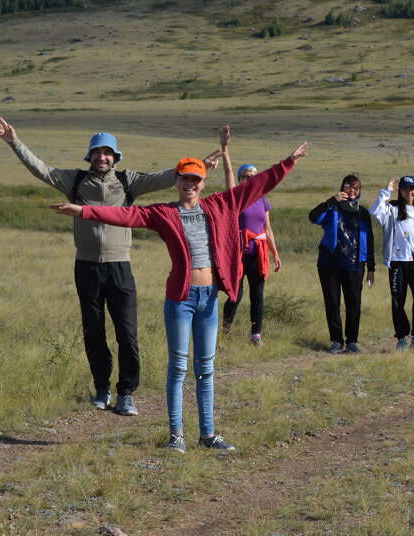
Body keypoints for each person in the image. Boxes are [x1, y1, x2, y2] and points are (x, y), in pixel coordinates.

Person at [52, 139, 309, 453]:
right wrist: (82, 210)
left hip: (209, 299)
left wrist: (289, 160)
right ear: (176, 181)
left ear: (202, 183)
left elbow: (258, 184)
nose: (190, 183)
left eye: (195, 179)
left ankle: (208, 435)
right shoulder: (164, 213)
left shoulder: (220, 205)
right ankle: (176, 436)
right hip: (180, 299)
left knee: (206, 368)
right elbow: (125, 216)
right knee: (178, 368)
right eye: (184, 178)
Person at [0, 116, 218, 416]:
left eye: (108, 153)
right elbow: (41, 170)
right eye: (97, 152)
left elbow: (167, 177)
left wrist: (198, 166)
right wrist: (14, 142)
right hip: (86, 266)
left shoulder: (128, 181)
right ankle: (101, 386)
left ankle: (126, 392)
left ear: (115, 157)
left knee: (127, 331)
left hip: (120, 266)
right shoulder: (74, 181)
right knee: (93, 331)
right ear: (90, 156)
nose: (102, 157)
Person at [218, 127, 283, 346]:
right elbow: (227, 172)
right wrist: (224, 148)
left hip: (259, 251)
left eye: (253, 176)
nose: (249, 179)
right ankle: (225, 329)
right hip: (238, 251)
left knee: (258, 295)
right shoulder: (235, 197)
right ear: (240, 179)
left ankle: (256, 335)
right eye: (245, 176)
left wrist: (276, 254)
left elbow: (269, 228)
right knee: (235, 293)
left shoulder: (263, 200)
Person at [309, 174, 376, 354]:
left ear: (360, 191)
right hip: (329, 263)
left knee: (354, 304)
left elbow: (369, 239)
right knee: (332, 303)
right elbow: (313, 217)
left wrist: (372, 267)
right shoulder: (332, 207)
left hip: (355, 265)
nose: (352, 191)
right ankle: (336, 341)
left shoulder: (363, 213)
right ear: (342, 188)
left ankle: (352, 341)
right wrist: (331, 200)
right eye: (348, 186)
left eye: (356, 188)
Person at [370, 175, 414, 351]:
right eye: (405, 189)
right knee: (398, 301)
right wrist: (387, 191)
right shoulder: (391, 208)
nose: (409, 192)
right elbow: (374, 211)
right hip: (397, 262)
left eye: (412, 189)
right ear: (401, 191)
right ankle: (401, 339)